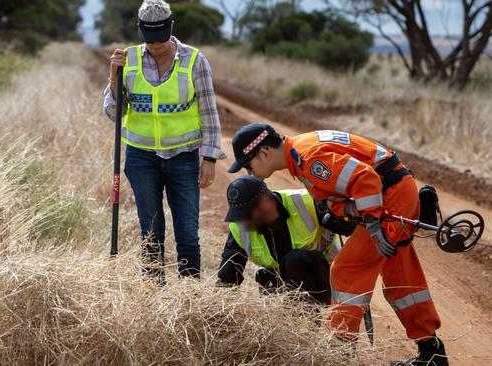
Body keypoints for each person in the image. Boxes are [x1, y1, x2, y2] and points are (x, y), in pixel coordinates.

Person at [227, 123, 447, 366]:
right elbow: (341, 192)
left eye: (248, 165)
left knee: (346, 270)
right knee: (400, 273)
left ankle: (339, 352)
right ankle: (431, 352)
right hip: (393, 193)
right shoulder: (300, 154)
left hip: (390, 197)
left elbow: (365, 178)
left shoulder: (307, 159)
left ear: (264, 152)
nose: (249, 172)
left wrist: (373, 225)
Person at [103, 0, 224, 280]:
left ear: (170, 28)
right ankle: (153, 291)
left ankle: (189, 294)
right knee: (151, 230)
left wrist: (209, 158)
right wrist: (113, 79)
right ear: (140, 31)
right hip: (141, 157)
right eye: (150, 40)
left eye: (161, 39)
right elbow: (113, 114)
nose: (156, 46)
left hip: (183, 157)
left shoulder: (194, 60)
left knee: (187, 231)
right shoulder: (127, 60)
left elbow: (209, 112)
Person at [218, 175, 351, 304]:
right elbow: (227, 278)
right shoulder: (239, 228)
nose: (243, 222)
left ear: (265, 201)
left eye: (246, 214)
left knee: (294, 260)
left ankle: (306, 322)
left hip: (326, 280)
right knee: (267, 275)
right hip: (279, 292)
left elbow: (355, 228)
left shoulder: (308, 202)